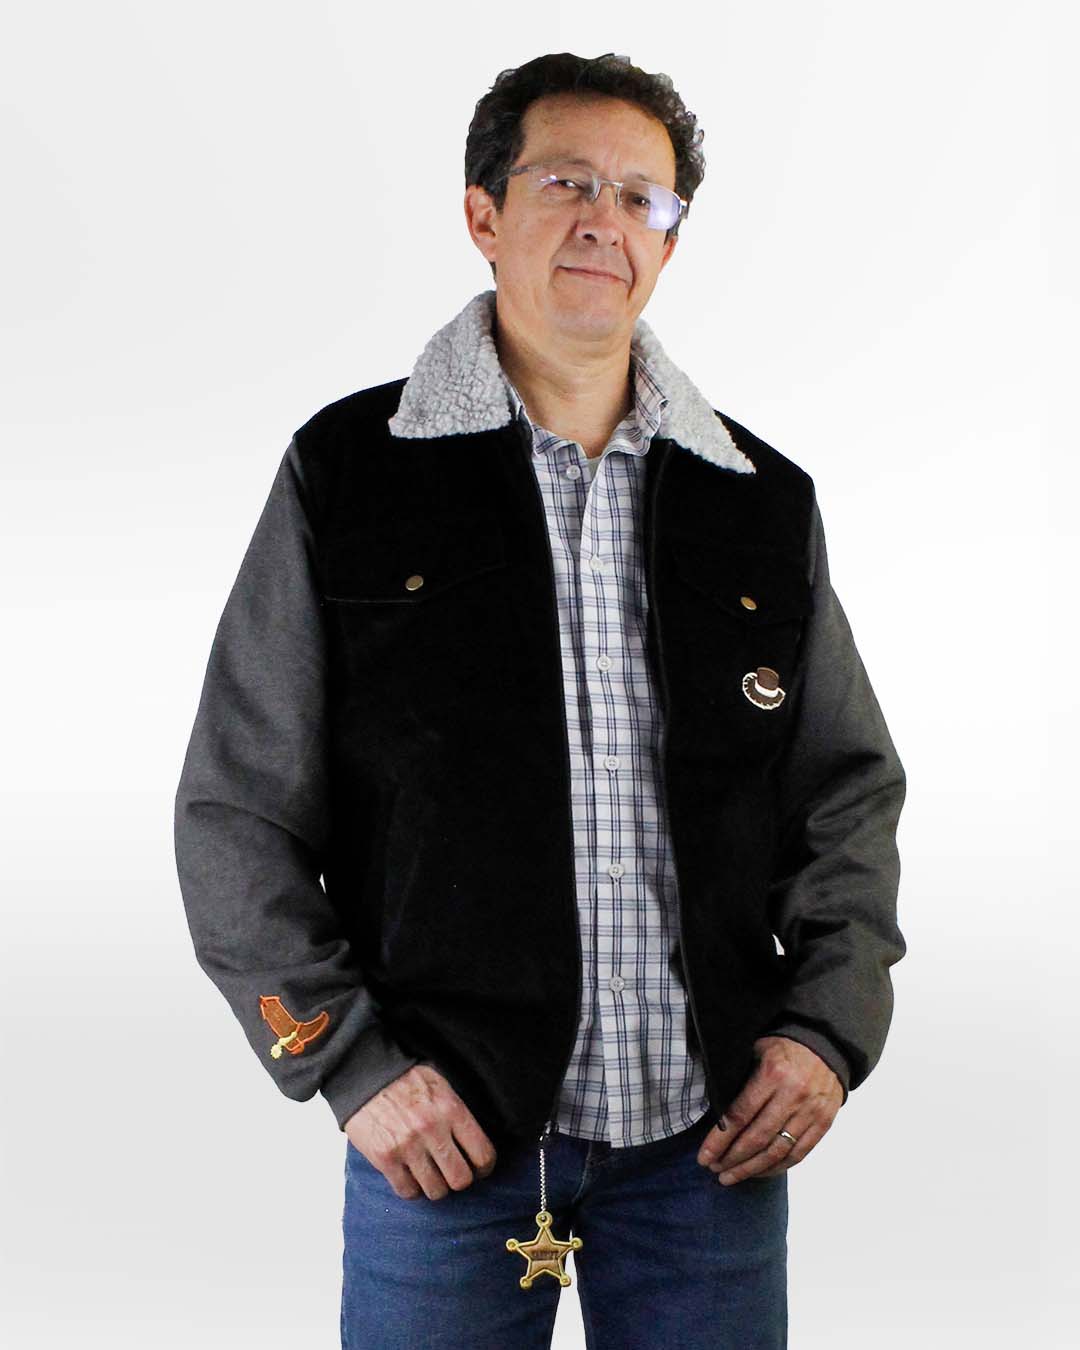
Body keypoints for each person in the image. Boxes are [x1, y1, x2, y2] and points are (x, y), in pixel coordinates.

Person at [174, 51, 906, 1350]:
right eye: (566, 182)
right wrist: (347, 1062)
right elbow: (237, 810)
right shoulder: (350, 474)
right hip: (444, 1148)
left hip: (708, 1156)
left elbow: (845, 793)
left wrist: (827, 1029)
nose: (603, 221)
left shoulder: (759, 502)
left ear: (669, 241)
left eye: (641, 199)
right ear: (484, 212)